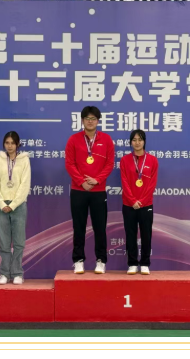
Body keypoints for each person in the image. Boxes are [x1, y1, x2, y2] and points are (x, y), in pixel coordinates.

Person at [65, 106, 114, 274]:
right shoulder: (73, 139)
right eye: (87, 118)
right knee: (78, 227)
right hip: (78, 190)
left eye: (93, 118)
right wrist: (81, 182)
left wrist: (97, 180)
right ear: (82, 120)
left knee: (100, 227)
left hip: (98, 191)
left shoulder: (106, 139)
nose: (90, 121)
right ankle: (78, 260)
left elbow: (109, 164)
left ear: (98, 121)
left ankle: (101, 260)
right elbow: (69, 164)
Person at [0, 131, 31, 285]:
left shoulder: (24, 160)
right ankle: (4, 273)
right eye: (7, 143)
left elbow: (25, 185)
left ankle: (17, 273)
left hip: (19, 205)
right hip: (1, 205)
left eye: (12, 143)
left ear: (17, 144)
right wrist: (2, 204)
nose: (9, 146)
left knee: (19, 242)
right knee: (4, 242)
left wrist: (13, 204)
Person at [120, 130, 159, 275]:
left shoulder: (152, 160)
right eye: (134, 140)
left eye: (140, 140)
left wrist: (141, 202)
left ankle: (145, 263)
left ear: (144, 142)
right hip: (128, 204)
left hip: (146, 205)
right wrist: (132, 200)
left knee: (146, 234)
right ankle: (132, 263)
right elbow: (124, 182)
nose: (137, 143)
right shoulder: (125, 160)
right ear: (130, 142)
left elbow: (152, 184)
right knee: (130, 234)